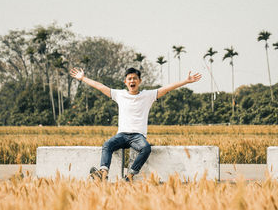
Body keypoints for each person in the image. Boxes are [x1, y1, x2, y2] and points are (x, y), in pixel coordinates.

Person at [69, 66, 202, 181]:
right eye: (129, 79)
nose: (132, 81)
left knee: (146, 148)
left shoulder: (148, 95)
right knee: (107, 144)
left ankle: (130, 176)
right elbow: (100, 87)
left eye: (134, 78)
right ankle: (103, 175)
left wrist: (186, 81)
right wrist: (83, 78)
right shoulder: (119, 94)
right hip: (121, 135)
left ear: (139, 81)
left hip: (138, 136)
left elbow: (166, 89)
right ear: (125, 82)